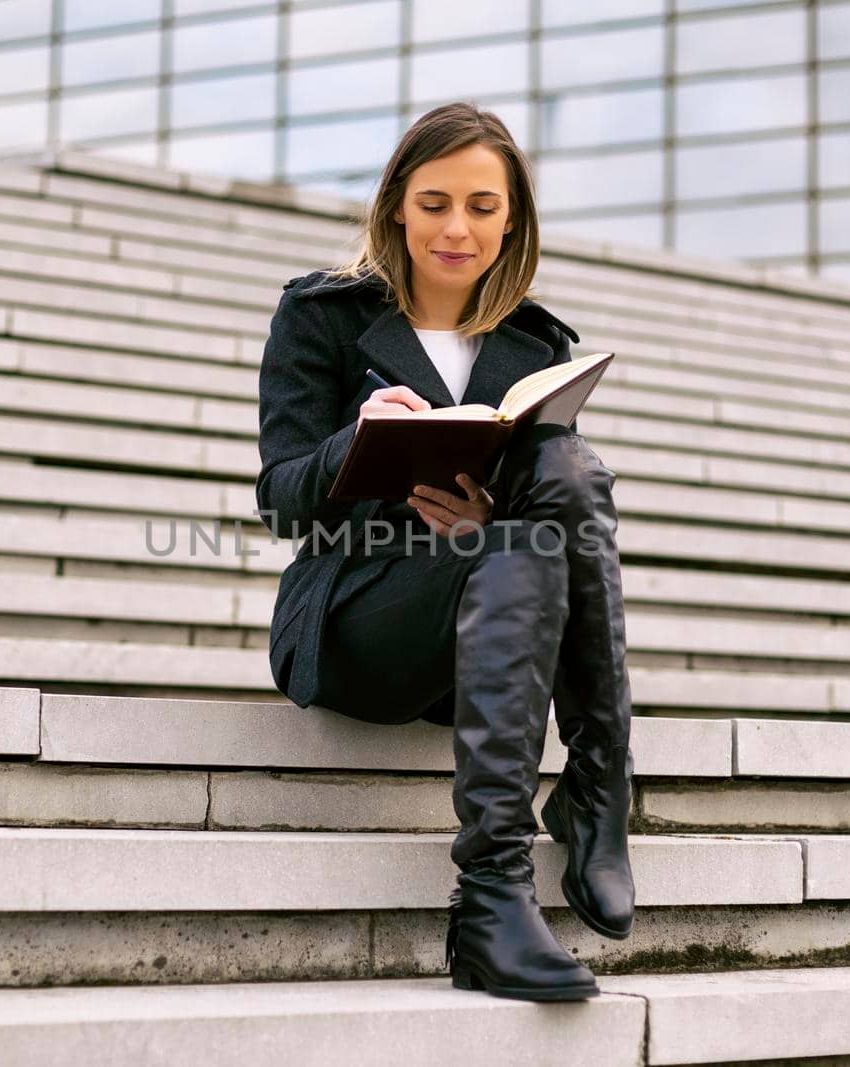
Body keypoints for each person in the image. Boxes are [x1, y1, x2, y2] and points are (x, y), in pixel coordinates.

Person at [255, 102, 634, 1002]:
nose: (456, 228)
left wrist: (486, 523)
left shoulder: (535, 344)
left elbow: (545, 506)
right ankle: (531, 855)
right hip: (356, 615)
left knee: (566, 477)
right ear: (395, 206)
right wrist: (354, 443)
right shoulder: (324, 315)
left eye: (480, 205)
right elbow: (278, 495)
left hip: (490, 625)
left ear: (511, 220)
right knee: (538, 530)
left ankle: (578, 798)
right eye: (433, 203)